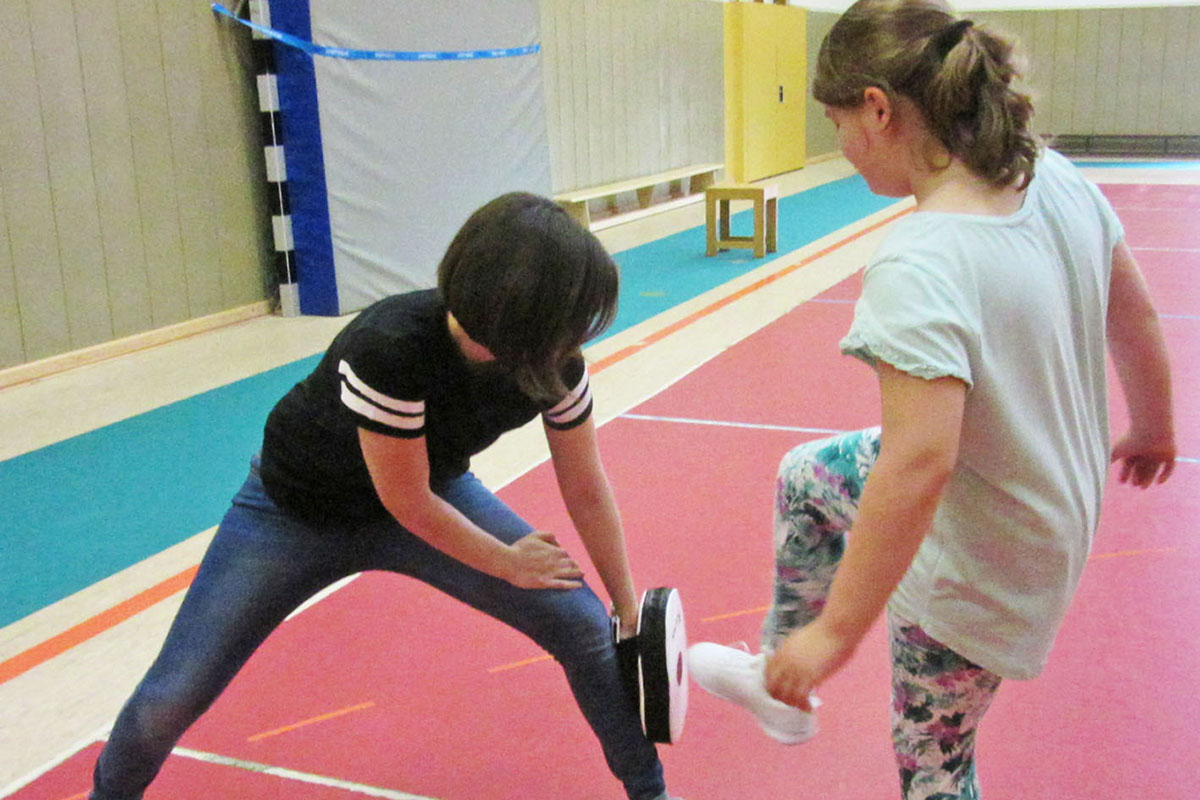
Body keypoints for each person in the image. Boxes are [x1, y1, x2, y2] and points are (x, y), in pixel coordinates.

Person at [687, 0, 1177, 797]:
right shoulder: (1048, 175)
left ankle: (798, 664)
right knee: (808, 476)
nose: (842, 148)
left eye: (838, 124)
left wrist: (836, 632)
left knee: (937, 767)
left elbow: (919, 464)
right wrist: (1154, 425)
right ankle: (775, 679)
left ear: (877, 110)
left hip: (980, 561)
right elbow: (1137, 312)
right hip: (1051, 502)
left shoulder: (920, 262)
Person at [90, 192, 679, 800]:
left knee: (583, 624)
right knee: (174, 695)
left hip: (432, 489)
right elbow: (405, 503)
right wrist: (506, 562)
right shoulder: (390, 346)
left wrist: (627, 603)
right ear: (514, 315)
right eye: (566, 319)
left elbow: (583, 484)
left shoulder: (552, 365)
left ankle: (650, 792)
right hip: (295, 511)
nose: (575, 337)